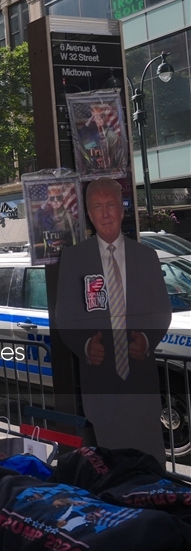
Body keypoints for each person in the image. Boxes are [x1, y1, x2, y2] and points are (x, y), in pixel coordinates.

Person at [55, 177, 171, 461]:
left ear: (122, 209)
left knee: (150, 471)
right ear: (89, 214)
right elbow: (65, 316)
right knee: (109, 475)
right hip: (101, 389)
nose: (105, 213)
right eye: (97, 206)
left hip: (141, 387)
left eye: (111, 205)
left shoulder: (146, 256)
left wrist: (145, 339)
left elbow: (161, 310)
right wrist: (84, 346)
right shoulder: (74, 259)